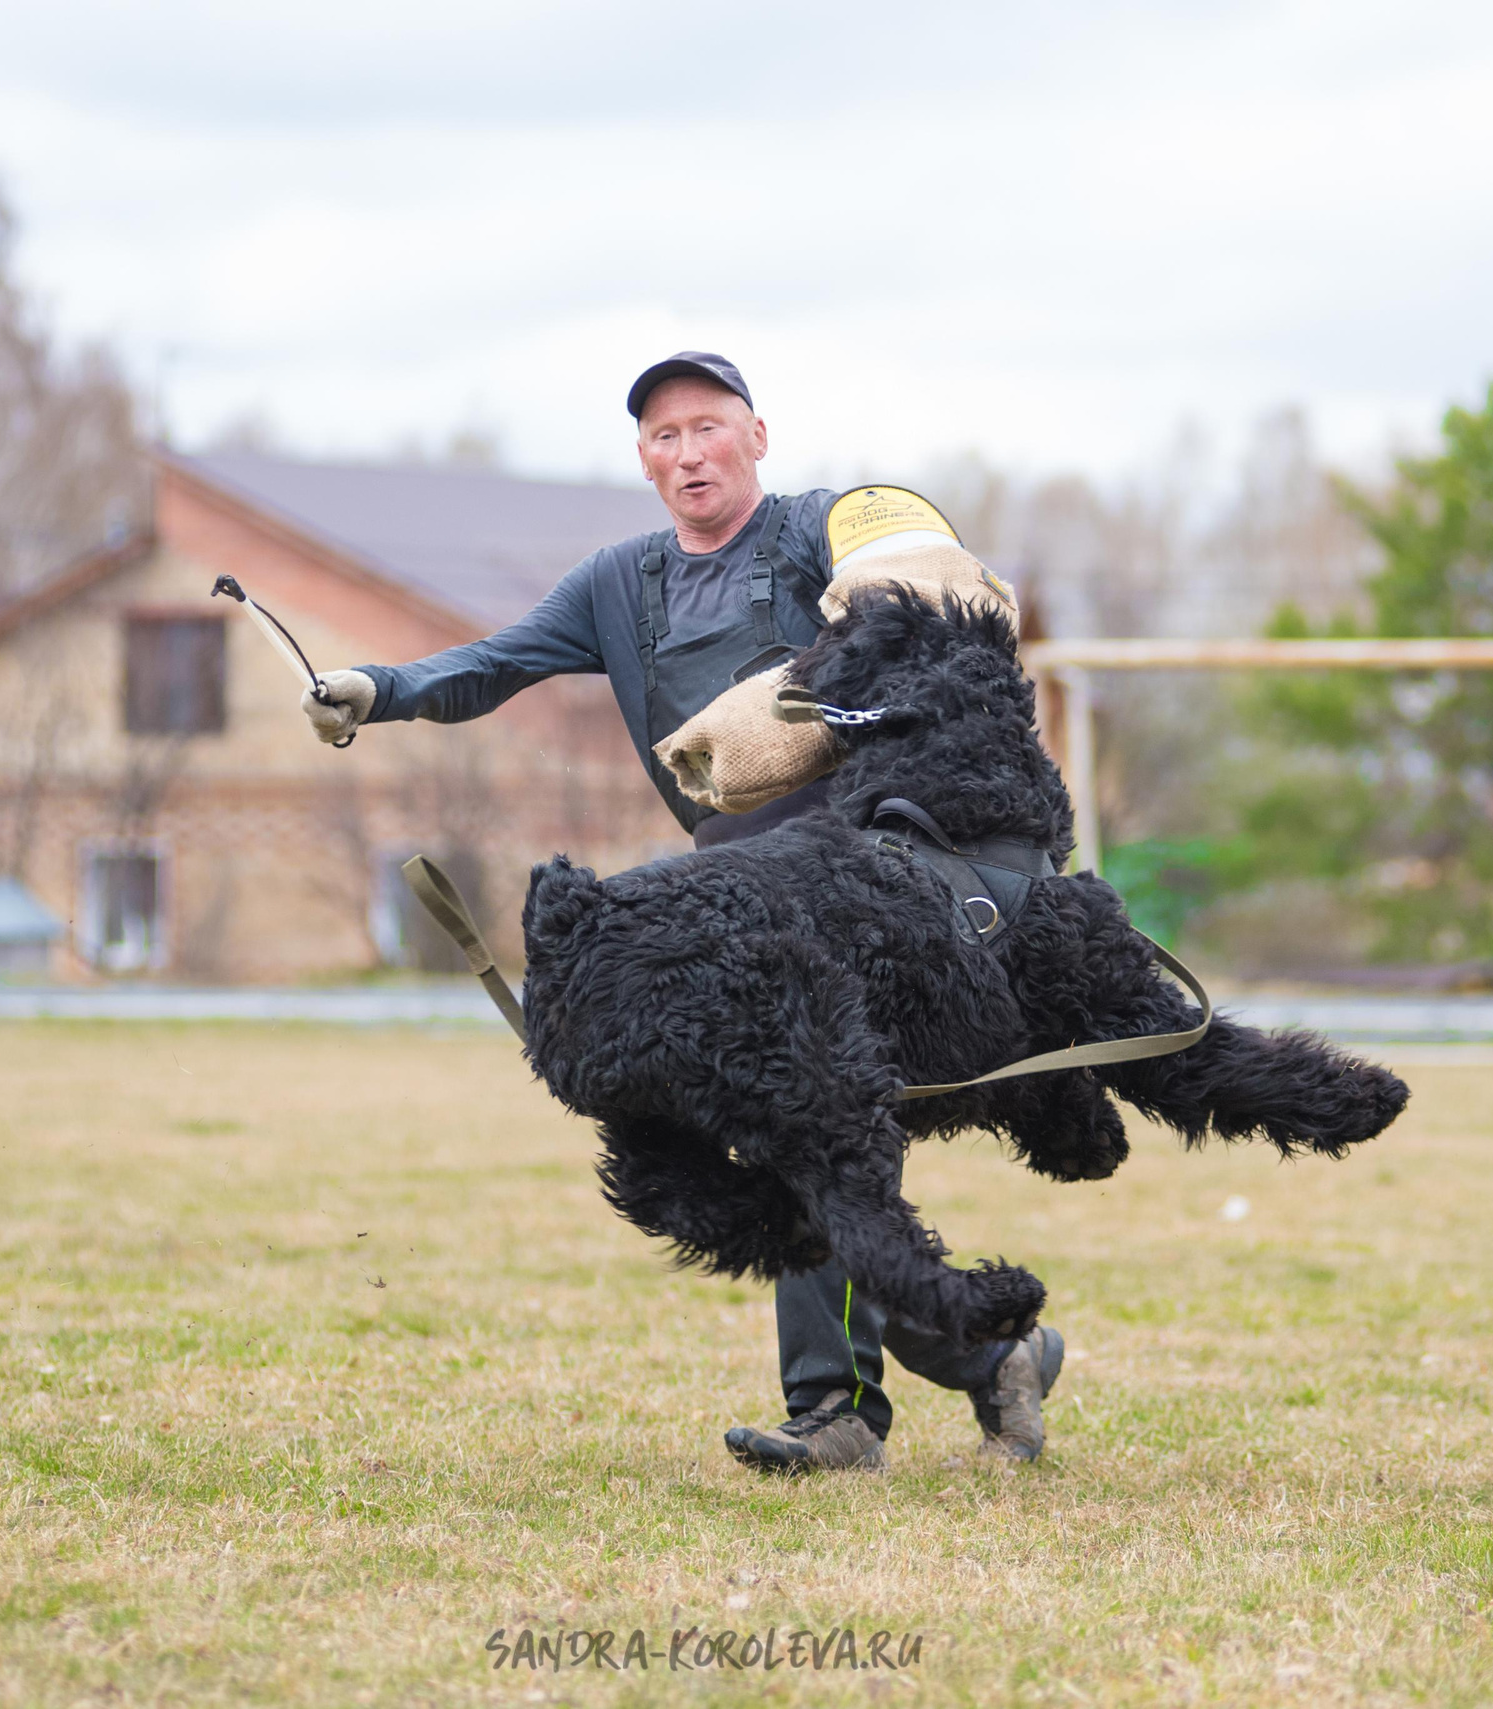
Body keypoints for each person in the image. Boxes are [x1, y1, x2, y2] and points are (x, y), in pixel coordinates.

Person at [300, 353, 1063, 1471]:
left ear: (756, 435)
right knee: (786, 1151)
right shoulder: (619, 582)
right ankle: (982, 1358)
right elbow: (495, 662)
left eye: (707, 426)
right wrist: (378, 689)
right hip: (731, 895)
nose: (688, 451)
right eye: (664, 436)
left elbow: (919, 576)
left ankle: (848, 1410)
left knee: (801, 1135)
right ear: (644, 460)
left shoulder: (812, 533)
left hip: (871, 887)